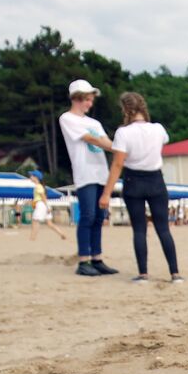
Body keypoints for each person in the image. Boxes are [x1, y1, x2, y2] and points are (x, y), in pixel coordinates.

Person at [100, 91, 183, 284]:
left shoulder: (123, 133)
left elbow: (118, 164)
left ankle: (143, 274)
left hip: (133, 181)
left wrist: (106, 193)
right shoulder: (158, 129)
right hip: (156, 180)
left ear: (125, 109)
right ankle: (175, 273)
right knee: (163, 229)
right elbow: (164, 141)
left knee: (139, 230)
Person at [58, 78, 118, 277]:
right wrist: (118, 147)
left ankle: (97, 258)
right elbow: (91, 139)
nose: (90, 104)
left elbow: (104, 140)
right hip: (85, 173)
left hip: (101, 172)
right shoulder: (67, 118)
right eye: (87, 100)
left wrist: (117, 146)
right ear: (77, 98)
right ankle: (84, 260)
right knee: (88, 215)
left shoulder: (94, 122)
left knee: (99, 217)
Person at [27, 170, 66, 242]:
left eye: (32, 176)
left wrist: (47, 207)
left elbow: (43, 197)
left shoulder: (38, 186)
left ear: (36, 177)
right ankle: (62, 234)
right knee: (49, 223)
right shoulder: (40, 186)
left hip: (41, 205)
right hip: (43, 205)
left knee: (35, 221)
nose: (30, 177)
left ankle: (32, 238)